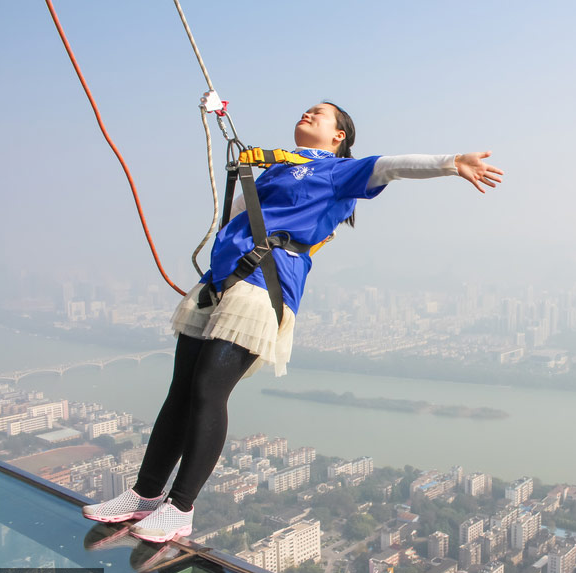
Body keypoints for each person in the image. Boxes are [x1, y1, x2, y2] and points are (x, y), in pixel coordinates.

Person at [81, 102, 504, 543]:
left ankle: (180, 507)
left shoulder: (339, 171)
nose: (307, 115)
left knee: (208, 389)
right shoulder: (275, 170)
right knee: (181, 391)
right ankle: (145, 494)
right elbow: (236, 218)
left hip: (263, 286)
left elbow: (390, 166)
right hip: (222, 280)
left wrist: (451, 163)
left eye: (319, 114)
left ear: (339, 136)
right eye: (306, 110)